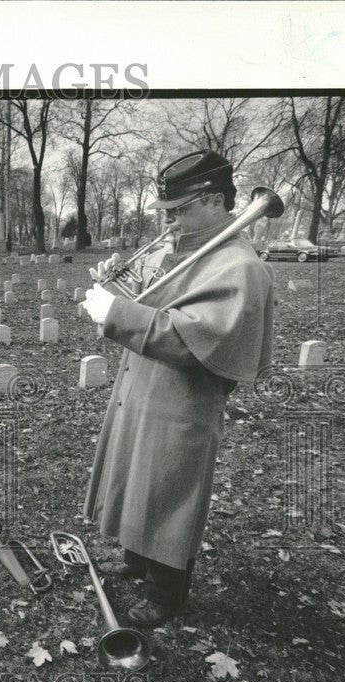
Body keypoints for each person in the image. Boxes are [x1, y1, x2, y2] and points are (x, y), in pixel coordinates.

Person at [79, 149, 275, 627]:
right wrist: (116, 286)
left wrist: (115, 314)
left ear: (212, 200)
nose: (170, 223)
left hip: (183, 400)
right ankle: (135, 560)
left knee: (168, 490)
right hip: (144, 383)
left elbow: (195, 338)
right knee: (136, 476)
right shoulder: (185, 247)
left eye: (179, 210)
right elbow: (156, 300)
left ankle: (167, 593)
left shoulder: (239, 265)